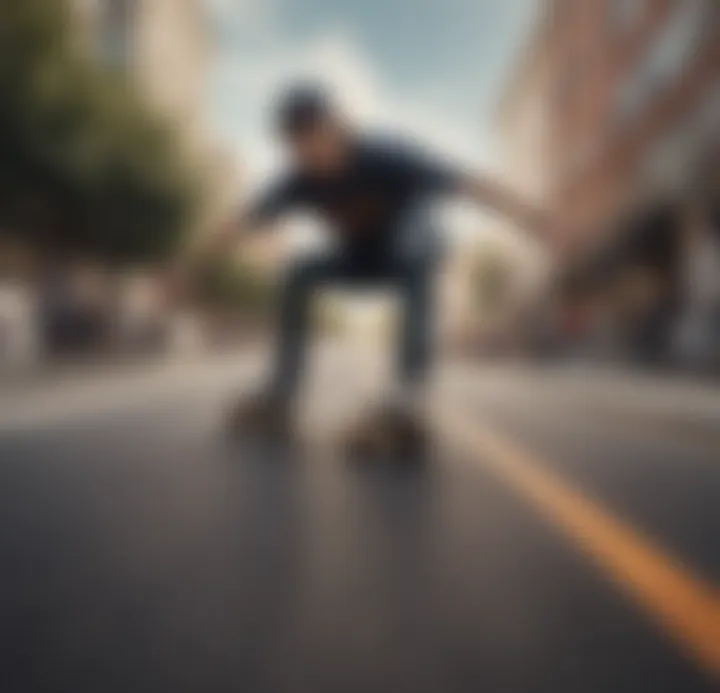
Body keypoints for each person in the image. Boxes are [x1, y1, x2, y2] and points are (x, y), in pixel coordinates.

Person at [177, 84, 550, 438]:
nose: (313, 154)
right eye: (299, 146)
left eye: (317, 138)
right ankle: (282, 396)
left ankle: (408, 396)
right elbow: (240, 223)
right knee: (299, 271)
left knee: (417, 239)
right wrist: (192, 270)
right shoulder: (298, 180)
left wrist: (532, 218)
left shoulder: (385, 153)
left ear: (337, 127)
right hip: (360, 261)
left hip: (411, 254)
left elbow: (468, 183)